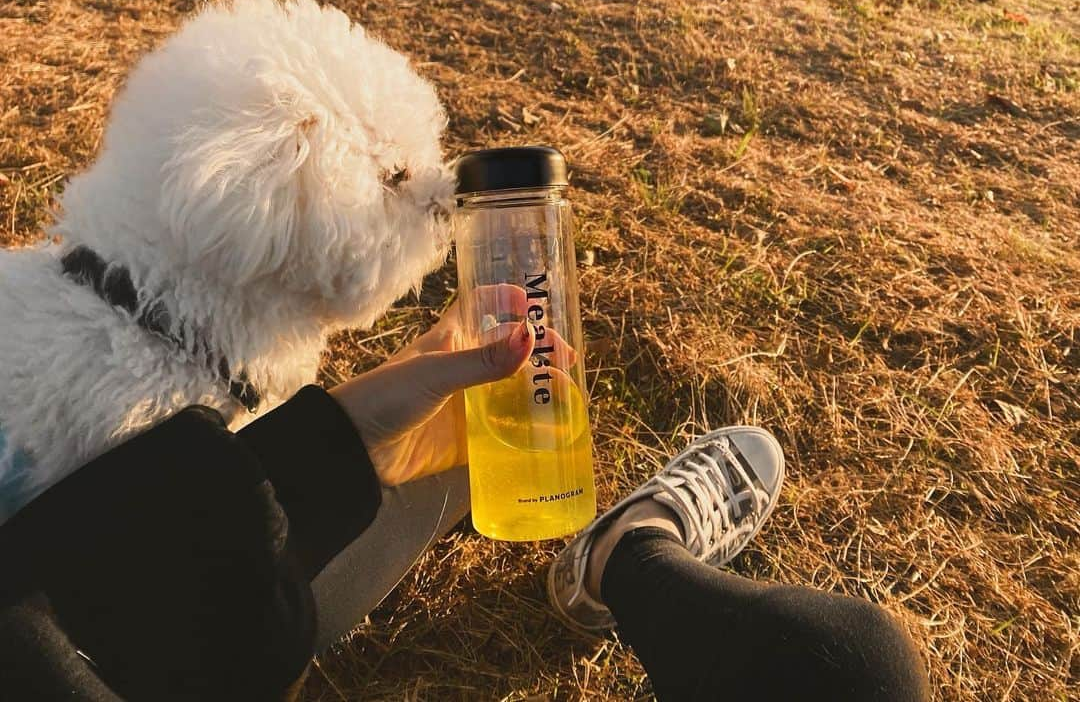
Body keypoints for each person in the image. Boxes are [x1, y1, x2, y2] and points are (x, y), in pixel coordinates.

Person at [0, 300, 929, 701]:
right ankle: (629, 552)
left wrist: (336, 442)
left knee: (843, 669)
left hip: (149, 626)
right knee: (851, 671)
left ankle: (605, 554)